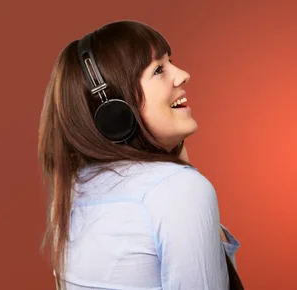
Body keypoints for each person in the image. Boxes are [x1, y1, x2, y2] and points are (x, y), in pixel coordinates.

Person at [37, 20, 243, 290]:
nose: (182, 75)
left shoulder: (75, 189)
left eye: (171, 62)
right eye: (159, 69)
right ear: (114, 110)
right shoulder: (178, 189)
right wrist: (183, 177)